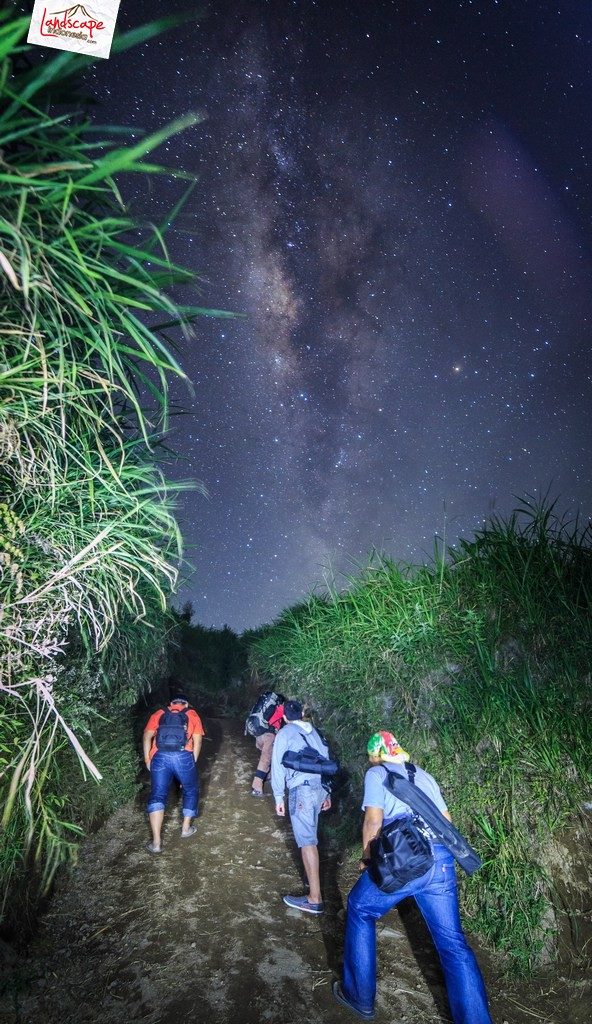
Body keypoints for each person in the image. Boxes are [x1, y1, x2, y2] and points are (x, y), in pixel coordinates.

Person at [333, 730, 493, 1023]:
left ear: (376, 756)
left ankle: (358, 995)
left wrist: (368, 859)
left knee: (360, 907)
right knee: (454, 945)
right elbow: (447, 823)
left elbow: (373, 820)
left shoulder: (376, 774)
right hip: (441, 860)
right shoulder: (424, 775)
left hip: (405, 857)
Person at [271, 699, 332, 915]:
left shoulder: (285, 733)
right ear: (302, 713)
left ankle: (314, 899)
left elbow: (277, 766)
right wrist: (327, 793)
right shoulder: (315, 732)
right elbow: (325, 761)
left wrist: (278, 797)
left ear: (285, 716)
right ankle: (312, 883)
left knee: (307, 842)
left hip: (302, 791)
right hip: (317, 789)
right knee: (311, 837)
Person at [143, 693, 204, 853]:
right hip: (184, 756)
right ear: (187, 703)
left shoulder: (159, 713)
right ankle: (185, 829)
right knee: (190, 789)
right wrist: (192, 762)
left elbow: (147, 736)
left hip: (159, 757)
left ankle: (156, 843)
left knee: (157, 794)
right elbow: (197, 741)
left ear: (171, 703)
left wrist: (148, 759)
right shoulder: (191, 714)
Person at [250, 700, 285, 796]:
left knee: (268, 758)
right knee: (265, 760)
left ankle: (268, 777)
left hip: (259, 735)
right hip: (269, 735)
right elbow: (289, 719)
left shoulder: (265, 709)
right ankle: (256, 788)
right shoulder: (280, 708)